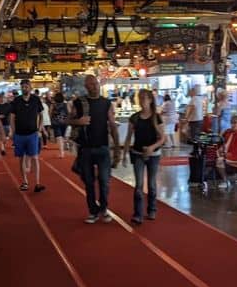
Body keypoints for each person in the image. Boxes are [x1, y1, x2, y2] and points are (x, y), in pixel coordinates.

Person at [68, 75, 121, 223]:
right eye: (91, 84)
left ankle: (103, 209)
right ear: (86, 86)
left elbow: (112, 126)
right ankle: (92, 211)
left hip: (103, 148)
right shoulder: (79, 103)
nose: (94, 86)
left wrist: (117, 149)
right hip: (85, 149)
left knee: (104, 181)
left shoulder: (106, 103)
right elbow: (67, 119)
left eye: (96, 83)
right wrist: (78, 121)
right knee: (89, 182)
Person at [122, 89, 165, 224]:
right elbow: (129, 137)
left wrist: (152, 148)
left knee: (151, 184)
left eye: (145, 98)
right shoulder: (134, 118)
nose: (142, 101)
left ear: (150, 100)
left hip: (153, 155)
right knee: (139, 184)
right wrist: (124, 154)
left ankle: (152, 209)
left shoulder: (156, 118)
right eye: (140, 98)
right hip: (138, 153)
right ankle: (138, 213)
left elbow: (163, 138)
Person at [9, 79, 45, 192]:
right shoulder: (17, 100)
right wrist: (13, 131)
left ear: (30, 87)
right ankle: (25, 182)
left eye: (26, 86)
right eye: (22, 87)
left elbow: (41, 115)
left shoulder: (36, 99)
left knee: (35, 157)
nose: (24, 88)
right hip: (19, 134)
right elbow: (12, 117)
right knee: (21, 159)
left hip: (32, 133)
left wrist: (39, 130)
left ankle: (37, 183)